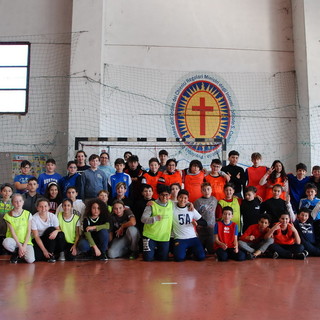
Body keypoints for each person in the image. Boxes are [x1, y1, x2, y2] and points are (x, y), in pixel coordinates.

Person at [172, 189, 206, 262]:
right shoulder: (172, 206)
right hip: (180, 238)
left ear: (188, 199)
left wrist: (197, 223)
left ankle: (191, 251)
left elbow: (204, 222)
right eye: (181, 197)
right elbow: (164, 202)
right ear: (177, 197)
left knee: (201, 257)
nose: (183, 200)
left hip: (192, 238)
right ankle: (186, 252)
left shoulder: (191, 209)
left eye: (185, 198)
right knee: (179, 258)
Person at [141, 185, 173, 261]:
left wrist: (189, 204)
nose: (164, 197)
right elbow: (143, 219)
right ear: (159, 195)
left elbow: (182, 203)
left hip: (164, 237)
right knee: (148, 259)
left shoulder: (172, 204)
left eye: (167, 195)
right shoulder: (151, 205)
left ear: (170, 195)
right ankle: (151, 251)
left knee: (163, 259)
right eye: (162, 195)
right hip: (150, 236)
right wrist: (154, 218)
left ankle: (155, 251)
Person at [2, 194, 34, 263]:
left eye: (20, 201)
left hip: (26, 242)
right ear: (12, 203)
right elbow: (12, 232)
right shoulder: (8, 215)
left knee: (30, 260)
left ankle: (20, 254)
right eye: (16, 201)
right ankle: (16, 253)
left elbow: (29, 231)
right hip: (15, 242)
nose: (18, 203)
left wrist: (24, 246)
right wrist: (20, 246)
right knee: (6, 242)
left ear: (23, 202)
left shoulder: (28, 214)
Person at [32, 198, 64, 262]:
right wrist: (44, 250)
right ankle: (48, 254)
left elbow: (59, 230)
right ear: (37, 208)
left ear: (49, 207)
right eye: (41, 206)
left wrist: (56, 231)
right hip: (39, 239)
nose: (43, 209)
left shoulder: (52, 216)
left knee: (54, 231)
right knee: (37, 257)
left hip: (50, 239)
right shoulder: (34, 218)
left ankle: (52, 253)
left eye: (45, 206)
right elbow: (36, 236)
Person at [194, 182, 218, 253]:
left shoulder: (214, 200)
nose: (206, 191)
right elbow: (194, 215)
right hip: (201, 229)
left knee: (211, 250)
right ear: (201, 191)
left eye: (208, 189)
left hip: (211, 229)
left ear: (211, 190)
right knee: (200, 250)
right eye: (204, 190)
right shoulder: (197, 202)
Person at [0, 183, 14, 251]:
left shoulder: (14, 203)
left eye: (9, 191)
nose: (7, 193)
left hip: (9, 231)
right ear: (1, 192)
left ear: (12, 192)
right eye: (4, 191)